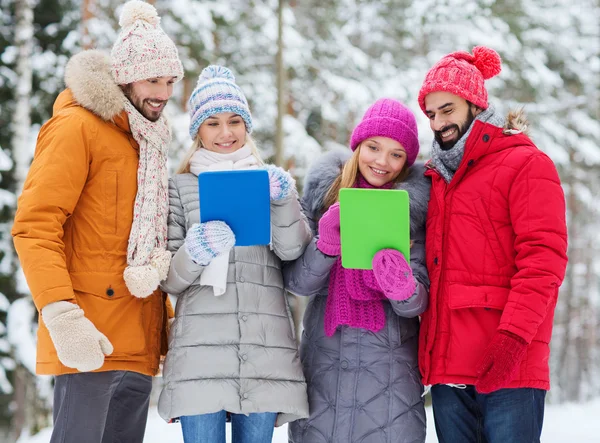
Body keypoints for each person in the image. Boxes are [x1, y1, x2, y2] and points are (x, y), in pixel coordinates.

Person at [11, 1, 183, 442]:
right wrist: (62, 316)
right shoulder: (76, 127)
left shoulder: (149, 141)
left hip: (139, 340)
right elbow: (35, 226)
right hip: (90, 337)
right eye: (152, 80)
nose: (163, 92)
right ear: (124, 78)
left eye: (170, 81)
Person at [417, 46, 569, 443]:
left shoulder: (526, 164)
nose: (438, 123)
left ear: (474, 103)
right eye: (431, 114)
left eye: (447, 110)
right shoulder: (436, 177)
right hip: (449, 373)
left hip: (509, 366)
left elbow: (543, 261)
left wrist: (513, 340)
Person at [157, 65, 310, 443]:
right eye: (212, 123)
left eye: (235, 121)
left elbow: (293, 251)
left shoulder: (268, 180)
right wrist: (196, 250)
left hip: (263, 348)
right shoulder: (178, 188)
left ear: (247, 126)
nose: (226, 133)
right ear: (197, 131)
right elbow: (169, 280)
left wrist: (283, 200)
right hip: (200, 353)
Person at [284, 98, 431, 443]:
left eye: (395, 154)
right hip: (324, 376)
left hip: (390, 385)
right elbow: (298, 284)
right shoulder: (322, 201)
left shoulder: (413, 215)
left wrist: (402, 285)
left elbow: (417, 303)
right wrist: (326, 246)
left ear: (406, 162)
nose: (381, 161)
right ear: (357, 146)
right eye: (374, 147)